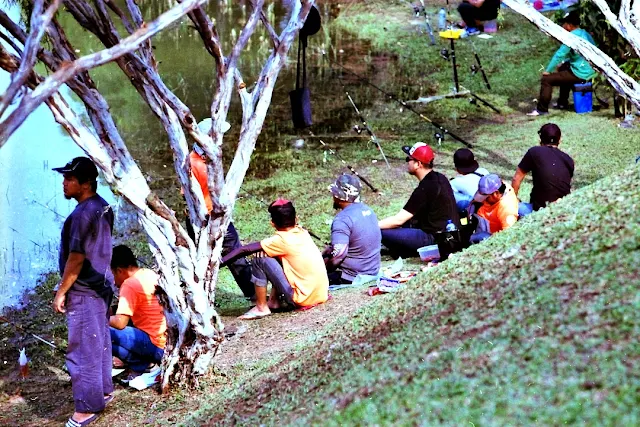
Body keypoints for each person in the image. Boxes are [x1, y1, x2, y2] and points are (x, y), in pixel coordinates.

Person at [52, 157, 114, 427]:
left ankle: (86, 409)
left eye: (70, 179)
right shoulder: (103, 205)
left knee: (81, 349)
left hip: (85, 289)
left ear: (86, 183)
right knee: (99, 341)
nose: (64, 183)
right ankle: (102, 391)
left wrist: (61, 292)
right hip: (102, 283)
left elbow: (75, 259)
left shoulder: (81, 216)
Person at [221, 199, 329, 320]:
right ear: (296, 218)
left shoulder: (280, 240)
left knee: (259, 258)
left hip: (303, 299)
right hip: (320, 295)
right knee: (272, 254)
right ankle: (274, 302)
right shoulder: (302, 232)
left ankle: (261, 307)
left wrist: (217, 264)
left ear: (272, 223)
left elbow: (244, 250)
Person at [185, 119, 254, 299]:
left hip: (197, 219)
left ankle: (200, 297)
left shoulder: (193, 158)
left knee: (200, 259)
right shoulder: (200, 164)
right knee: (235, 255)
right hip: (211, 217)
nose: (222, 139)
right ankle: (254, 294)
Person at [378, 142, 459, 258]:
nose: (407, 162)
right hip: (449, 233)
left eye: (409, 159)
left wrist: (371, 226)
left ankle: (402, 252)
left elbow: (398, 220)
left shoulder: (425, 187)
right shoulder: (440, 177)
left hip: (434, 239)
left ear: (418, 164)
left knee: (380, 232)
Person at [109, 245, 166, 379]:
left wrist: (99, 318)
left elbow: (120, 323)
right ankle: (144, 364)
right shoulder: (148, 273)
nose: (113, 281)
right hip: (168, 341)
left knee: (99, 331)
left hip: (157, 346)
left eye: (113, 275)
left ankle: (143, 365)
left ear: (119, 271)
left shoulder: (129, 284)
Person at [528, 11, 597, 116]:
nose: (562, 26)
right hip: (589, 70)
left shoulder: (570, 37)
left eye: (563, 24)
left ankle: (542, 110)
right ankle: (562, 103)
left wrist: (548, 70)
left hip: (580, 73)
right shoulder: (585, 33)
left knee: (547, 80)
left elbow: (559, 55)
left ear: (568, 25)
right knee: (564, 68)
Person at [324, 173, 381, 285]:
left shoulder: (342, 220)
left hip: (353, 276)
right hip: (373, 270)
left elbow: (338, 256)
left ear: (338, 196)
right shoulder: (368, 210)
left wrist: (324, 270)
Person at [512, 123, 574, 216]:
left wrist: (512, 201)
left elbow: (517, 178)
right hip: (562, 211)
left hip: (538, 212)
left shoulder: (534, 152)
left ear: (540, 139)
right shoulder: (569, 160)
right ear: (559, 140)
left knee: (508, 208)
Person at [470, 174, 519, 243]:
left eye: (486, 197)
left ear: (496, 193)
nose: (484, 200)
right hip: (480, 220)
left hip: (489, 233)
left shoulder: (507, 208)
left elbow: (508, 236)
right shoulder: (501, 185)